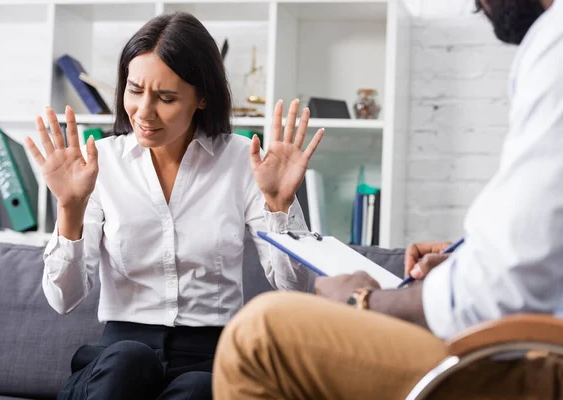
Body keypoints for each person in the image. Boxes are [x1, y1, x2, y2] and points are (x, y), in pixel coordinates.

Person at [212, 0, 563, 398]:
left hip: (540, 357)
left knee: (258, 336)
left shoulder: (555, 42)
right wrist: (467, 261)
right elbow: (536, 252)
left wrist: (363, 300)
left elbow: (505, 289)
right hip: (531, 341)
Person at [24, 11, 324, 400]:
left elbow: (295, 289)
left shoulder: (243, 161)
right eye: (134, 90)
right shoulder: (102, 163)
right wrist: (70, 209)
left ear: (202, 97)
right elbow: (63, 300)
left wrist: (280, 204)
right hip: (119, 362)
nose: (144, 113)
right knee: (131, 360)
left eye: (165, 98)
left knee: (200, 388)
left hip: (209, 357)